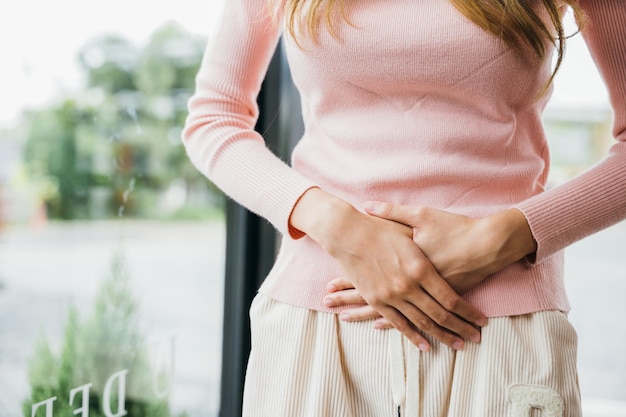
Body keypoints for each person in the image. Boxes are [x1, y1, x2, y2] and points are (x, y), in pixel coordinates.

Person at [182, 1, 625, 416]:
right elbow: (214, 118)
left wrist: (501, 237)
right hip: (320, 319)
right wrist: (337, 225)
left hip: (500, 322)